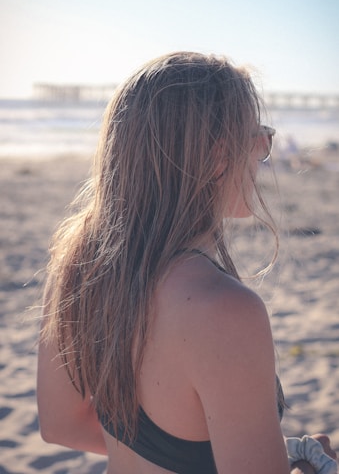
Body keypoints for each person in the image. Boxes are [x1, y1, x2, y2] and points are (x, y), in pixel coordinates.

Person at [37, 51, 337, 474]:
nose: (262, 154)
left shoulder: (75, 263)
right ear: (217, 158)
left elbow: (60, 426)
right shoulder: (226, 311)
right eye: (259, 138)